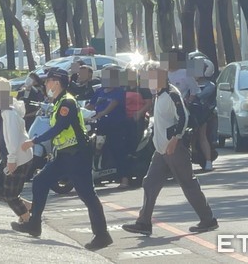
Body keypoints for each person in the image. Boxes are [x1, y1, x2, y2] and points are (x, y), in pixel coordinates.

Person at [12, 67, 113, 251]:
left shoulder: (67, 102)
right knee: (40, 181)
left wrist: (34, 141)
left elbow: (60, 127)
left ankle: (102, 235)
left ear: (56, 83)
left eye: (48, 81)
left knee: (87, 195)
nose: (45, 85)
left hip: (77, 155)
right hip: (65, 154)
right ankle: (34, 224)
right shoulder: (58, 101)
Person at [121, 62, 218, 235]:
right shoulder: (158, 94)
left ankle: (208, 219)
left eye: (150, 76)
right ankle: (144, 222)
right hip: (161, 150)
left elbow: (183, 118)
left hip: (174, 148)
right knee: (150, 183)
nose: (147, 79)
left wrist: (175, 139)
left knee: (188, 183)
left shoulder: (172, 94)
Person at [0, 78, 34, 224]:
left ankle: (27, 220)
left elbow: (13, 139)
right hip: (9, 156)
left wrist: (12, 160)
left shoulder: (8, 112)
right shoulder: (1, 108)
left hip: (17, 158)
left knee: (10, 195)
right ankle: (28, 207)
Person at [86, 66, 128, 188]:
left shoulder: (119, 91)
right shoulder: (99, 91)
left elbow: (113, 104)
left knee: (118, 150)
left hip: (115, 125)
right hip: (99, 125)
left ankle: (124, 178)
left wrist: (102, 113)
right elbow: (91, 105)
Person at [188, 55, 218, 171]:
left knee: (202, 135)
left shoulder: (209, 86)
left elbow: (200, 97)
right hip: (188, 113)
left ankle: (208, 160)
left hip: (202, 114)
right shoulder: (189, 83)